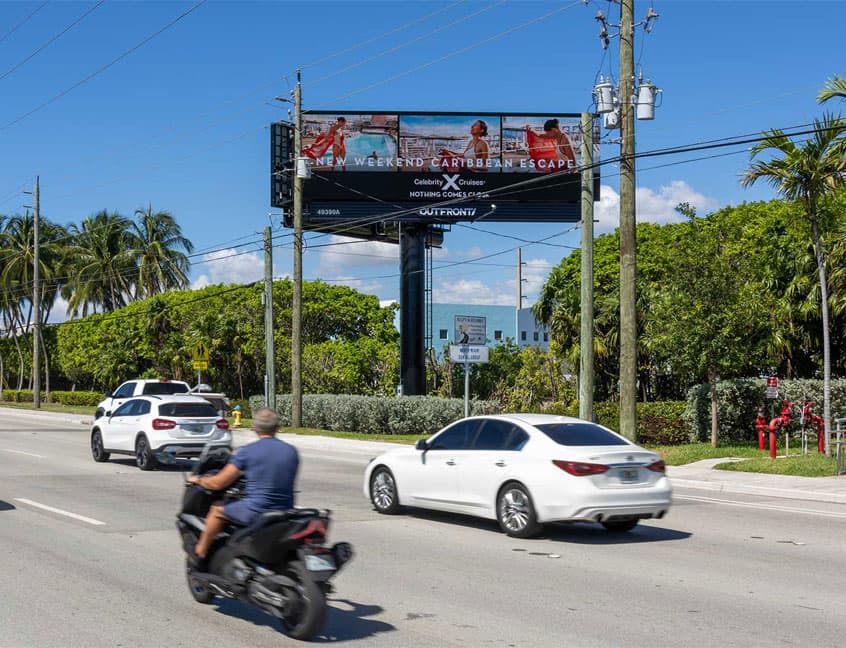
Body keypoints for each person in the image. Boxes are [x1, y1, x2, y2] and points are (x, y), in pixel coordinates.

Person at [187, 407, 299, 569]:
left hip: (257, 510)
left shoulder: (247, 452)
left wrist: (199, 479)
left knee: (217, 509)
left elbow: (218, 483)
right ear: (277, 427)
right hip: (285, 509)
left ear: (254, 427)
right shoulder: (291, 451)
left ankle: (200, 553)